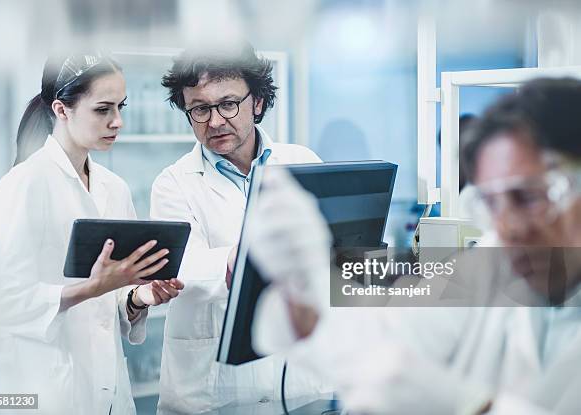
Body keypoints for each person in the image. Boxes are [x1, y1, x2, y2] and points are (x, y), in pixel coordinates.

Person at [249, 78, 581, 414]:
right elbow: (390, 337)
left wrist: (472, 406)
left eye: (528, 197)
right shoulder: (492, 264)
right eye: (492, 204)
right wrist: (306, 281)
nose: (508, 226)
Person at [0, 53, 184, 414]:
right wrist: (89, 288)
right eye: (103, 109)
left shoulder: (115, 188)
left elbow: (113, 300)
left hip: (109, 389)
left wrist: (139, 297)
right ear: (62, 110)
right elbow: (3, 302)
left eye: (121, 106)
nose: (118, 121)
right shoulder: (22, 185)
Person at [151, 43, 325, 414]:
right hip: (212, 393)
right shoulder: (173, 183)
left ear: (257, 102)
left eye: (228, 104)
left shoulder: (302, 163)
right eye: (199, 109)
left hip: (297, 383)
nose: (214, 121)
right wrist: (242, 256)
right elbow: (182, 268)